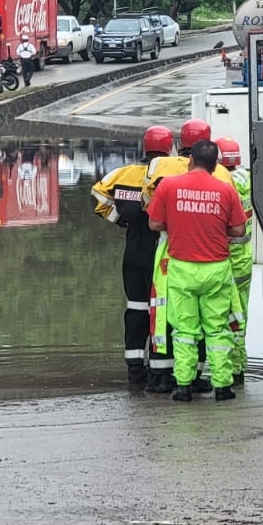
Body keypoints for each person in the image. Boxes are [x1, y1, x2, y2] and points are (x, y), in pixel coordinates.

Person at [147, 139, 247, 402]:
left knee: (184, 332)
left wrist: (180, 224)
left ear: (190, 161)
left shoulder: (168, 185)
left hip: (182, 268)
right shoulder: (225, 190)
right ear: (215, 165)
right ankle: (223, 386)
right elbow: (239, 230)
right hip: (216, 269)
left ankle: (183, 386)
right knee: (217, 330)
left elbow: (154, 223)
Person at [91, 126, 174, 390]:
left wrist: (120, 221)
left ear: (145, 148)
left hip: (133, 252)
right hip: (160, 252)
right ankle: (161, 371)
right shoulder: (172, 175)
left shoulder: (123, 173)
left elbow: (97, 195)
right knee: (161, 312)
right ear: (170, 149)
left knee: (135, 311)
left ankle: (135, 372)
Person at [216, 137, 255, 386]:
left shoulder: (221, 183)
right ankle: (239, 367)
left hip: (225, 259)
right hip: (245, 260)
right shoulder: (249, 180)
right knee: (241, 316)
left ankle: (226, 369)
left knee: (220, 317)